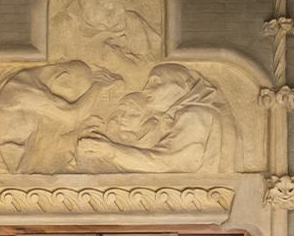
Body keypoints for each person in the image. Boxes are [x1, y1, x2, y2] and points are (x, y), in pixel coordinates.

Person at [73, 63, 236, 173]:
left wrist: (111, 151)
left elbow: (165, 162)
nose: (145, 90)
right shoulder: (181, 115)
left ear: (179, 87)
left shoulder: (195, 114)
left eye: (155, 83)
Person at [0, 60, 120, 172]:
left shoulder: (30, 83)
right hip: (11, 167)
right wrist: (98, 87)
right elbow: (71, 116)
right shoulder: (21, 88)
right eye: (71, 97)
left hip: (26, 156)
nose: (64, 100)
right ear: (63, 78)